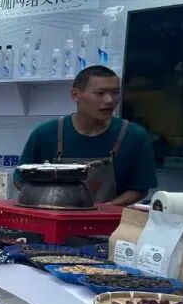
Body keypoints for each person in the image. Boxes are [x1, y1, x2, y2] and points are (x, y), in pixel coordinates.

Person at [18, 66, 156, 206]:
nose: (109, 100)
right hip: (54, 215)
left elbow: (139, 188)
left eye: (115, 92)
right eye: (100, 93)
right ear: (75, 95)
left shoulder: (134, 136)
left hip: (111, 218)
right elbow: (20, 180)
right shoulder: (46, 134)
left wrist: (105, 209)